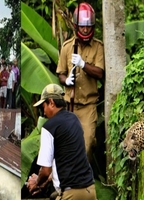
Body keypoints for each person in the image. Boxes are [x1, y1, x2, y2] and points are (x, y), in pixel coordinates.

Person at [26, 83, 96, 200]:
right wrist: (46, 181)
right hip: (90, 190)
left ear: (51, 102)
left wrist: (36, 183)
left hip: (72, 193)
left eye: (44, 106)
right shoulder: (74, 119)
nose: (44, 112)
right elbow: (68, 160)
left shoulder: (49, 127)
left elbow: (45, 170)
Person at [56, 2, 104, 162]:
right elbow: (60, 73)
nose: (85, 30)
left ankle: (84, 178)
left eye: (88, 27)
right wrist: (67, 81)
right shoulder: (67, 47)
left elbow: (100, 72)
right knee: (66, 146)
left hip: (88, 106)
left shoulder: (98, 47)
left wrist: (83, 65)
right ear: (76, 26)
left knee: (88, 143)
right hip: (69, 105)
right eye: (82, 27)